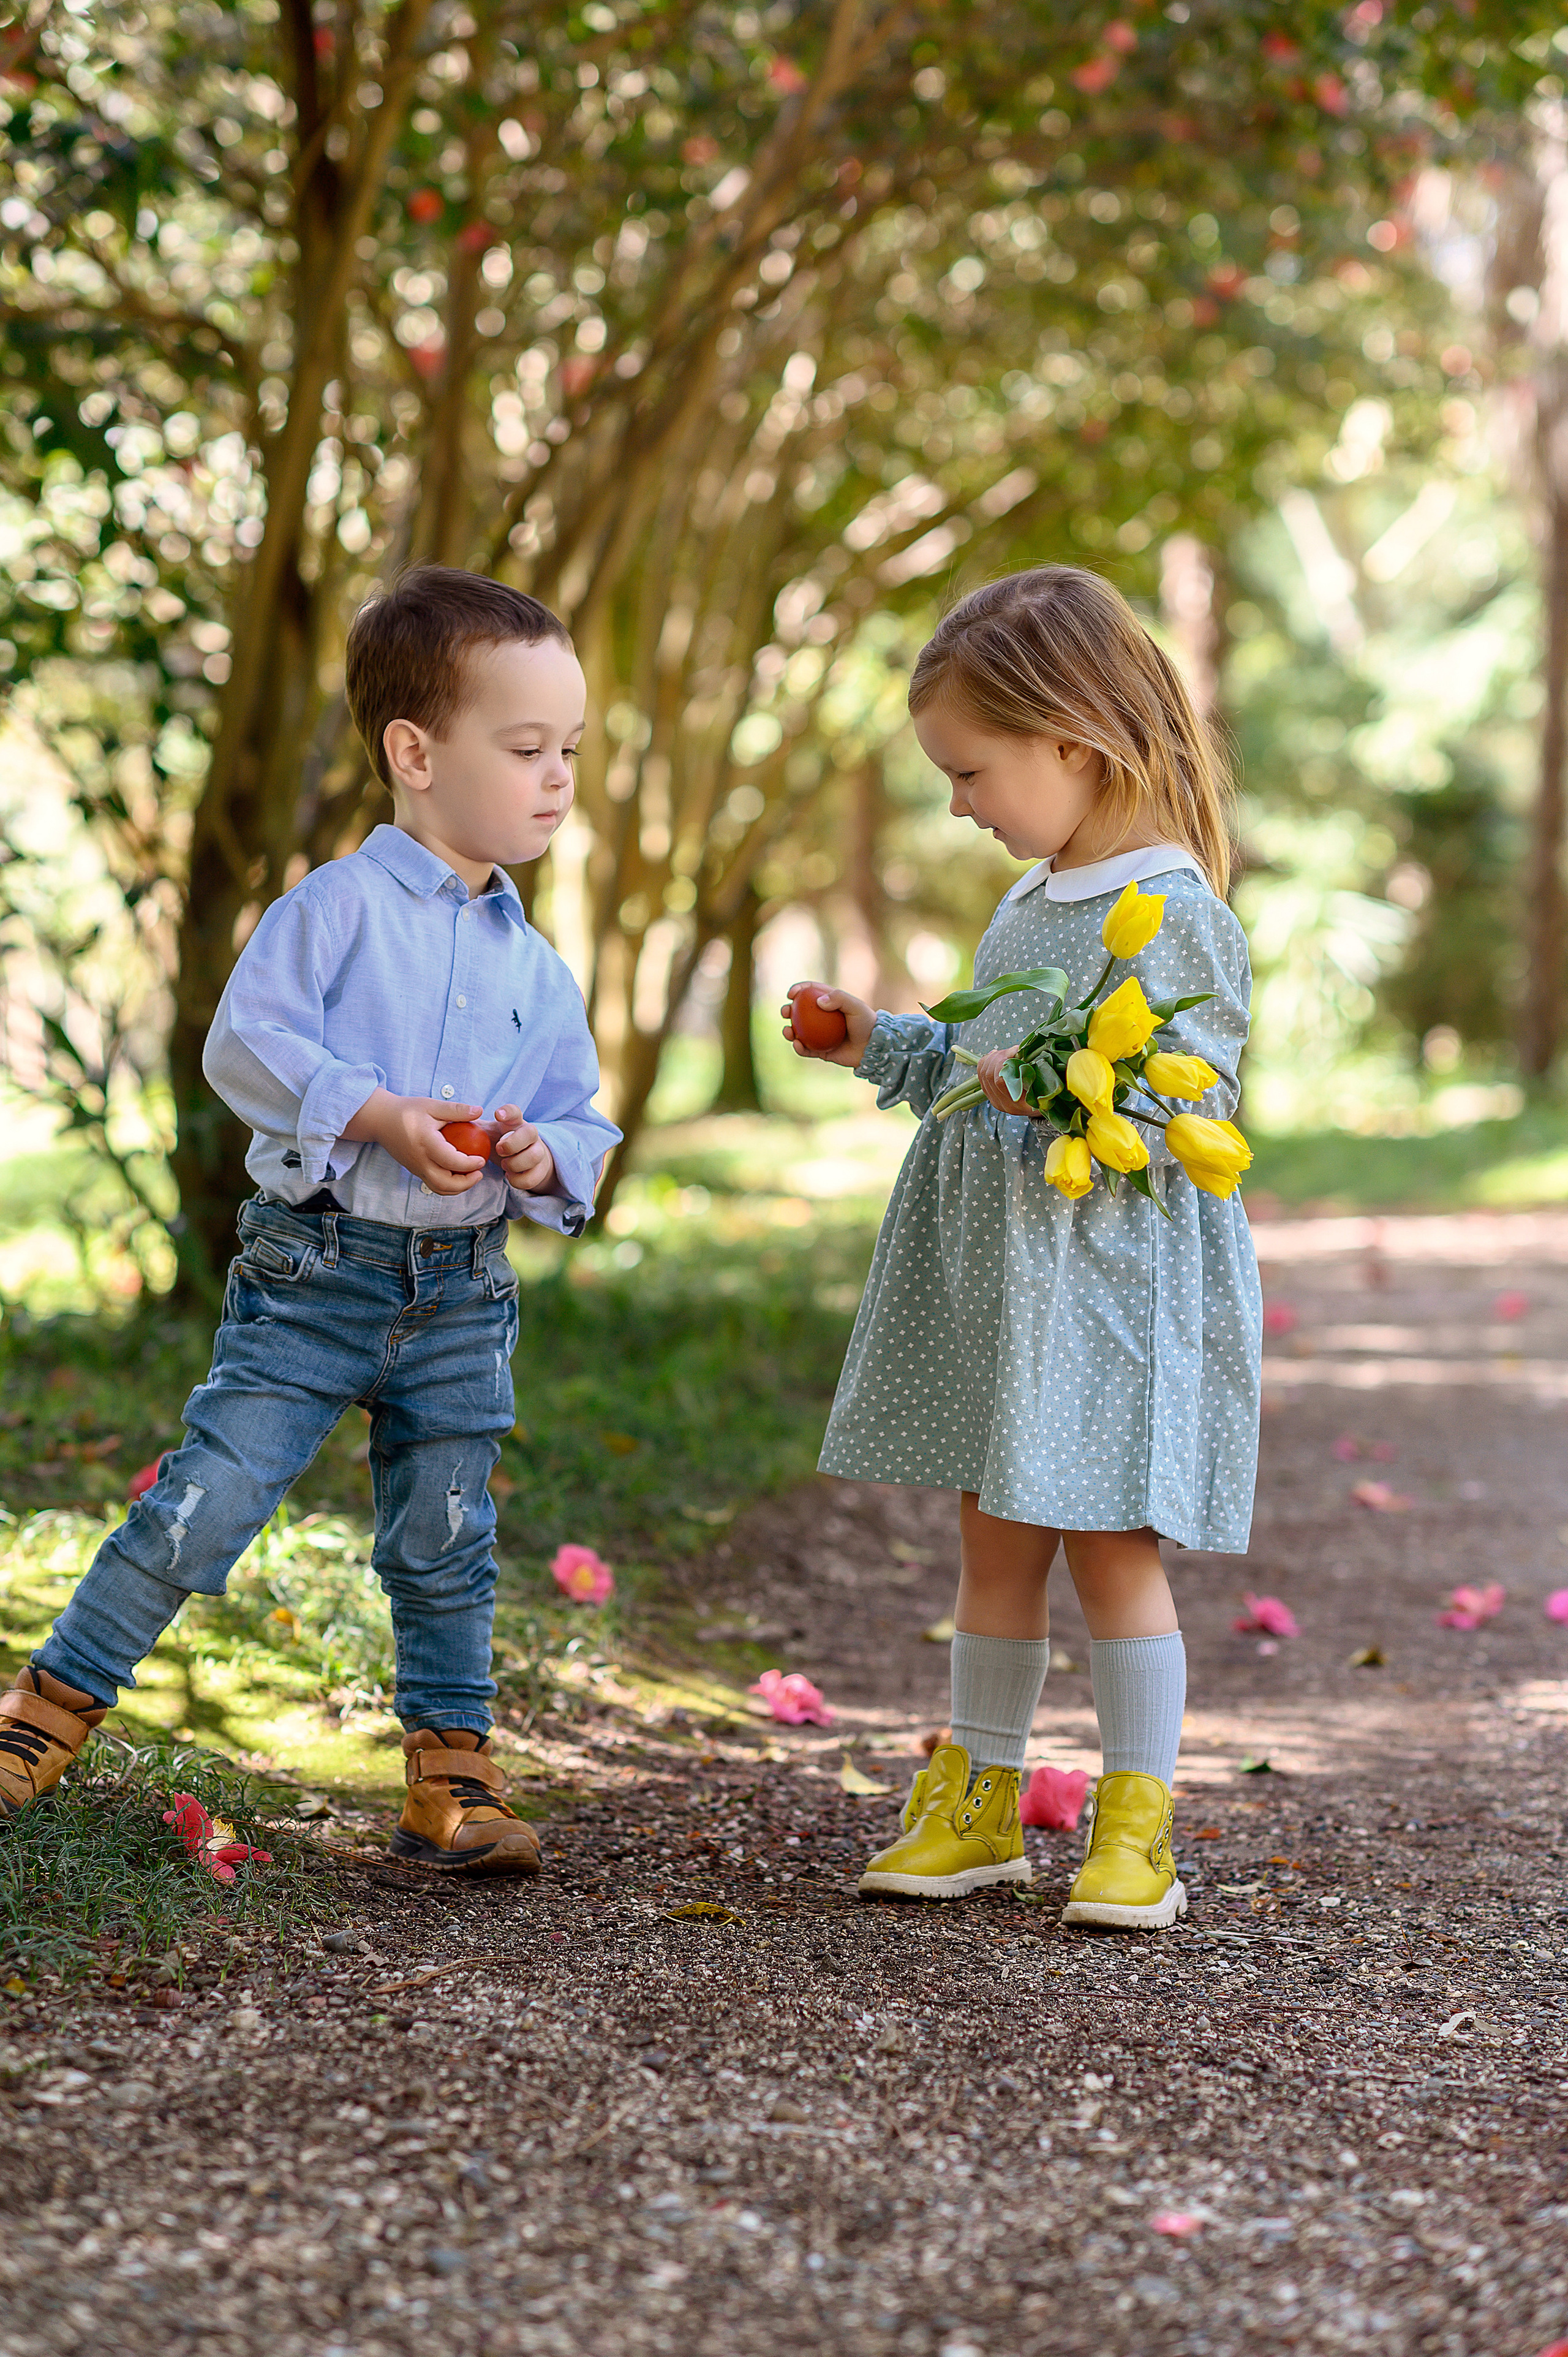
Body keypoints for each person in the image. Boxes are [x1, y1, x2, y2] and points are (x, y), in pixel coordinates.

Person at [0, 567, 620, 1874]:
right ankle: (47, 1709)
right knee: (209, 1498)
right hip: (315, 1274)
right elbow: (248, 1045)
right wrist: (378, 1114)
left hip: (460, 1288)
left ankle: (449, 1775)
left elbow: (583, 1120)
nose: (557, 776)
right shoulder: (332, 912)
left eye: (569, 749)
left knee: (446, 1533)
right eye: (525, 749)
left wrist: (535, 1149)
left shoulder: (537, 965)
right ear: (414, 752)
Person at [782, 566, 1261, 1930]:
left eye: (971, 770)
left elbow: (1185, 1100)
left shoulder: (1174, 913)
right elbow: (979, 1056)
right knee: (991, 1541)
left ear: (1073, 739)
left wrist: (1059, 1087)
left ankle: (1134, 1824)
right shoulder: (1033, 899)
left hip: (1104, 1289)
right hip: (1010, 1285)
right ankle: (980, 1797)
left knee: (1108, 1545)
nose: (958, 803)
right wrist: (878, 1038)